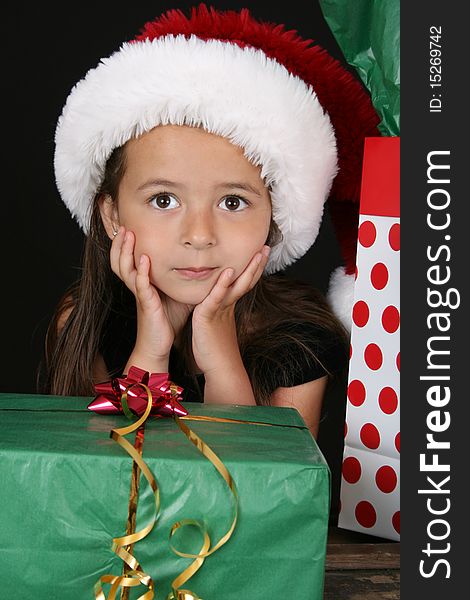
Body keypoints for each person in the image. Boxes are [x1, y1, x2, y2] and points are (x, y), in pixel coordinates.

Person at [39, 4, 380, 438]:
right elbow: (109, 480)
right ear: (111, 214)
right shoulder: (84, 321)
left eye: (233, 203)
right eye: (164, 200)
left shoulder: (302, 339)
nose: (199, 236)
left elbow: (266, 496)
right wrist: (151, 349)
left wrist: (220, 354)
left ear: (276, 216)